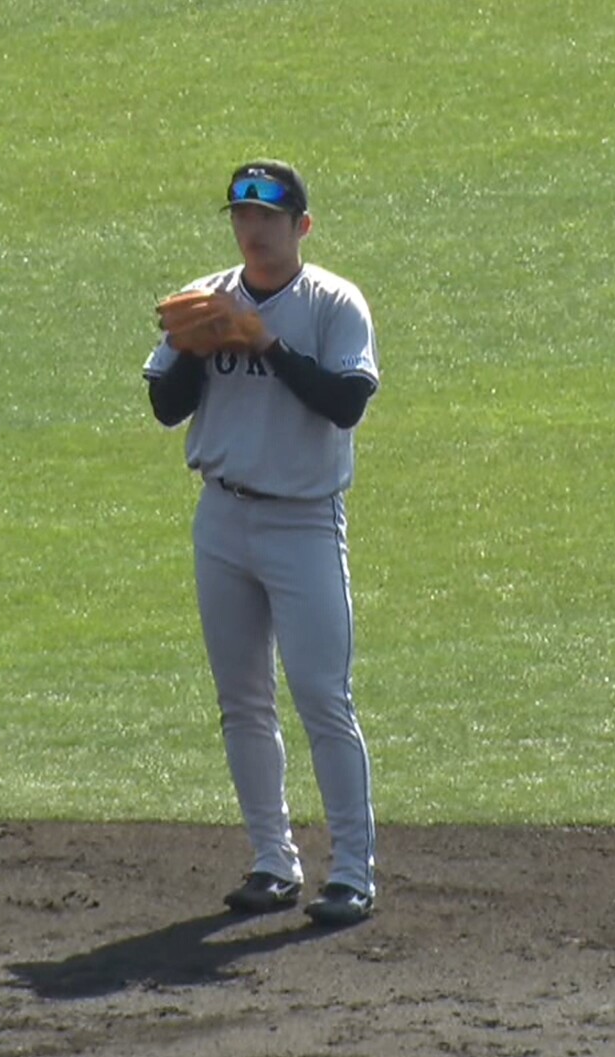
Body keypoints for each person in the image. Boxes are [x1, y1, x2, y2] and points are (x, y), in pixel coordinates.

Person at [142, 160, 381, 927]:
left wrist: (265, 344)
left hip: (304, 523)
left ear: (300, 227)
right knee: (243, 701)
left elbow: (344, 403)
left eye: (268, 217)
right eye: (242, 216)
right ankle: (273, 862)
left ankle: (352, 873)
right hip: (222, 519)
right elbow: (165, 408)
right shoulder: (206, 296)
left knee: (322, 697)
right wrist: (197, 346)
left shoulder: (334, 303)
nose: (252, 229)